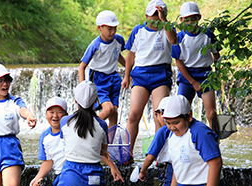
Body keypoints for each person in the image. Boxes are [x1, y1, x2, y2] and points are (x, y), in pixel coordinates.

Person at [57, 80, 124, 186]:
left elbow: (70, 143)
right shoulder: (102, 125)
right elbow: (102, 151)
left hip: (70, 175)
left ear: (75, 100)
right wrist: (113, 166)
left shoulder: (64, 121)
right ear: (96, 101)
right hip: (93, 176)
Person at [122, 0, 178, 163]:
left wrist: (164, 21)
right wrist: (126, 76)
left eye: (158, 16)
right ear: (146, 16)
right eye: (152, 16)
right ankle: (128, 153)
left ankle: (159, 154)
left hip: (160, 75)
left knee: (160, 116)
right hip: (140, 75)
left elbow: (173, 41)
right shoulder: (138, 30)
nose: (155, 20)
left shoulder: (167, 29)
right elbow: (130, 55)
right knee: (133, 115)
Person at [163, 95, 225, 186]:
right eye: (168, 122)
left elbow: (216, 163)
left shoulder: (200, 132)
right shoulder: (173, 135)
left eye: (176, 122)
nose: (172, 127)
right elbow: (177, 164)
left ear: (189, 116)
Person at [171, 1, 221, 129]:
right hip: (186, 76)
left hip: (205, 75)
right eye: (187, 20)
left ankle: (214, 142)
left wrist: (217, 74)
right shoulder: (179, 38)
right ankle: (186, 140)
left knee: (211, 114)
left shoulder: (208, 34)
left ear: (199, 18)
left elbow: (216, 56)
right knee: (181, 113)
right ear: (181, 20)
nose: (191, 23)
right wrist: (193, 82)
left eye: (193, 19)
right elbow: (179, 63)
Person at [79, 10, 126, 129]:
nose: (113, 31)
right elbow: (82, 67)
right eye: (109, 29)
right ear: (100, 28)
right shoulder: (95, 45)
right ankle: (88, 127)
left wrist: (129, 70)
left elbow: (118, 55)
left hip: (114, 77)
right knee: (108, 109)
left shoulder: (119, 40)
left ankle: (108, 144)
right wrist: (83, 89)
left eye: (115, 28)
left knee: (114, 112)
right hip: (98, 79)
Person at [138, 96, 182, 186]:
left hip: (171, 173)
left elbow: (150, 157)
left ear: (161, 114)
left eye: (157, 114)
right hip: (185, 172)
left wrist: (142, 171)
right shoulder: (185, 129)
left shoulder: (164, 131)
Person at [29, 96, 68, 186]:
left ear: (66, 115)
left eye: (59, 112)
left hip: (74, 174)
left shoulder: (70, 130)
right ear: (45, 115)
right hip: (61, 178)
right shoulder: (45, 136)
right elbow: (48, 162)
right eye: (51, 112)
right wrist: (37, 178)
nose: (55, 116)